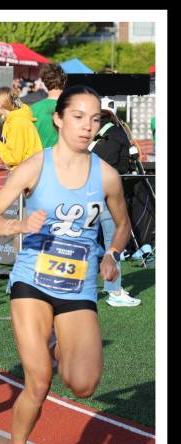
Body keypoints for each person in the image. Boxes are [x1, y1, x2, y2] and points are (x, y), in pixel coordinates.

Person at [0, 85, 131, 444]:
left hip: (78, 288)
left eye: (94, 119)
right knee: (39, 379)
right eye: (78, 116)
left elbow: (123, 225)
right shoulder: (34, 167)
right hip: (32, 280)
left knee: (84, 384)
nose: (86, 126)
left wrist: (111, 254)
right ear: (59, 118)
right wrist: (17, 225)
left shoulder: (107, 176)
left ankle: (58, 341)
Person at [90, 103, 142, 307]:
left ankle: (82, 288)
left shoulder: (87, 131)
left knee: (86, 241)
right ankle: (113, 289)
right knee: (114, 241)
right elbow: (120, 162)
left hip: (84, 190)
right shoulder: (117, 132)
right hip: (108, 192)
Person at [0, 86, 42, 170]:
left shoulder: (16, 123)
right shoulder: (13, 120)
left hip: (26, 176)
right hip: (27, 173)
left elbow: (13, 158)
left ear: (1, 102)